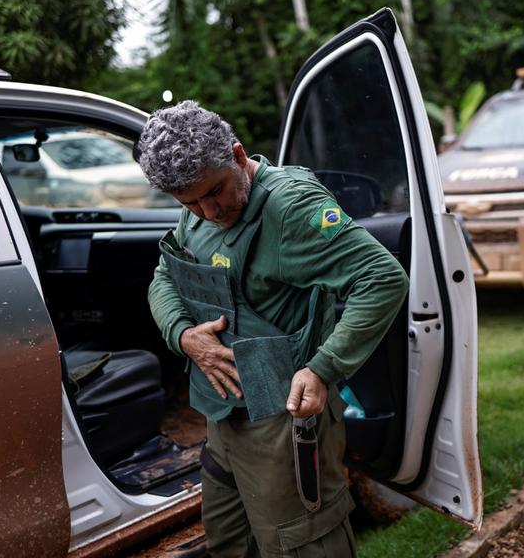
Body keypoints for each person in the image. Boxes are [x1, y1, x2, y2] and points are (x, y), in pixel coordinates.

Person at [138, 100, 408, 557]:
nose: (208, 210)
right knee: (230, 543)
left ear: (239, 156)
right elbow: (165, 275)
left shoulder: (291, 209)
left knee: (301, 543)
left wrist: (323, 369)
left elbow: (382, 279)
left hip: (285, 422)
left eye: (216, 191)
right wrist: (184, 335)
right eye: (191, 202)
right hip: (223, 419)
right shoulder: (197, 208)